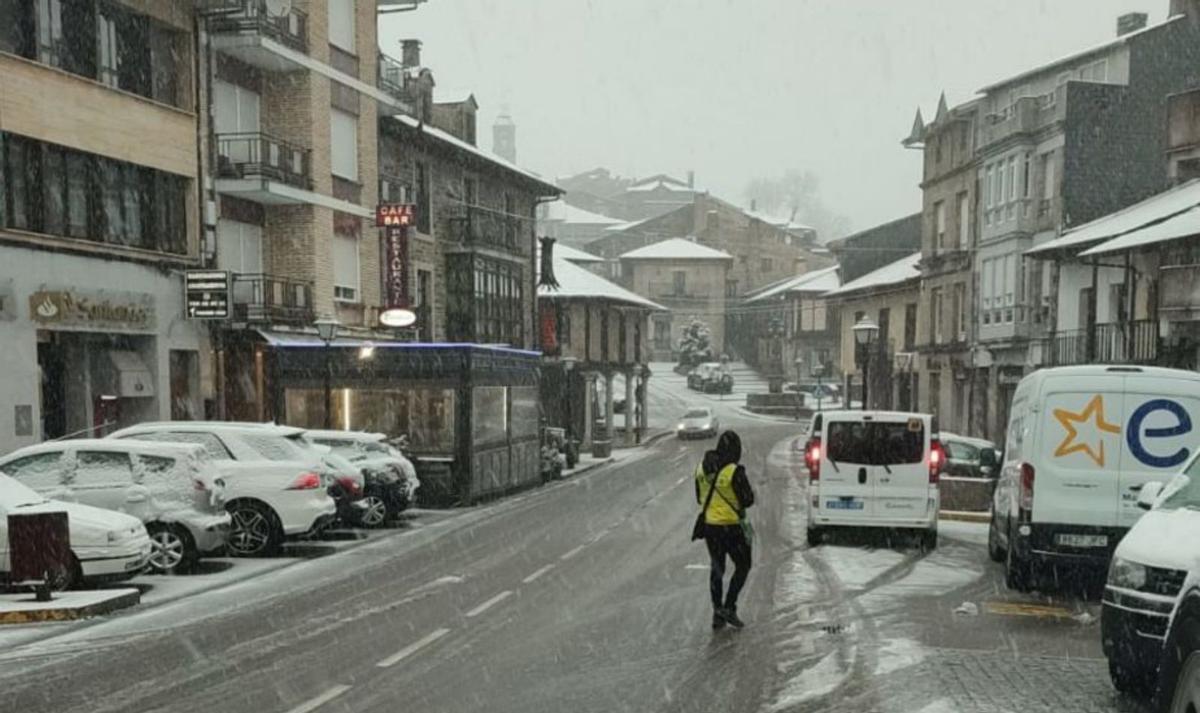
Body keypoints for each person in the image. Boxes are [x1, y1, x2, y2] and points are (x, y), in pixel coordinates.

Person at [694, 430, 755, 629]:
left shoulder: (701, 470)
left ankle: (717, 613)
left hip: (711, 528)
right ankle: (729, 606)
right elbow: (748, 500)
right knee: (743, 565)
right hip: (731, 528)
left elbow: (699, 497)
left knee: (717, 569)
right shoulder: (734, 471)